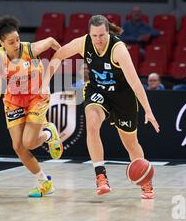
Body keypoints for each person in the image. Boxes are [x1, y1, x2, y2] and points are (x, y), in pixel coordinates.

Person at [44, 15, 160, 199]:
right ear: (89, 34)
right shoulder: (83, 43)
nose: (98, 39)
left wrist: (148, 110)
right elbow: (59, 55)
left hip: (123, 96)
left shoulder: (118, 49)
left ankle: (145, 180)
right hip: (98, 91)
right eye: (94, 35)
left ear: (108, 32)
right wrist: (44, 83)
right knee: (91, 125)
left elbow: (136, 83)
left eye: (102, 35)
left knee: (131, 144)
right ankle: (101, 176)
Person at [0, 15, 63, 197]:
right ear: (2, 42)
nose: (16, 44)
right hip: (13, 100)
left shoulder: (31, 49)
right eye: (11, 42)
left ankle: (48, 133)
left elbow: (53, 43)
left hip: (36, 97)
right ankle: (44, 182)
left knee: (29, 142)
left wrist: (47, 82)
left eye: (18, 39)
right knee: (18, 147)